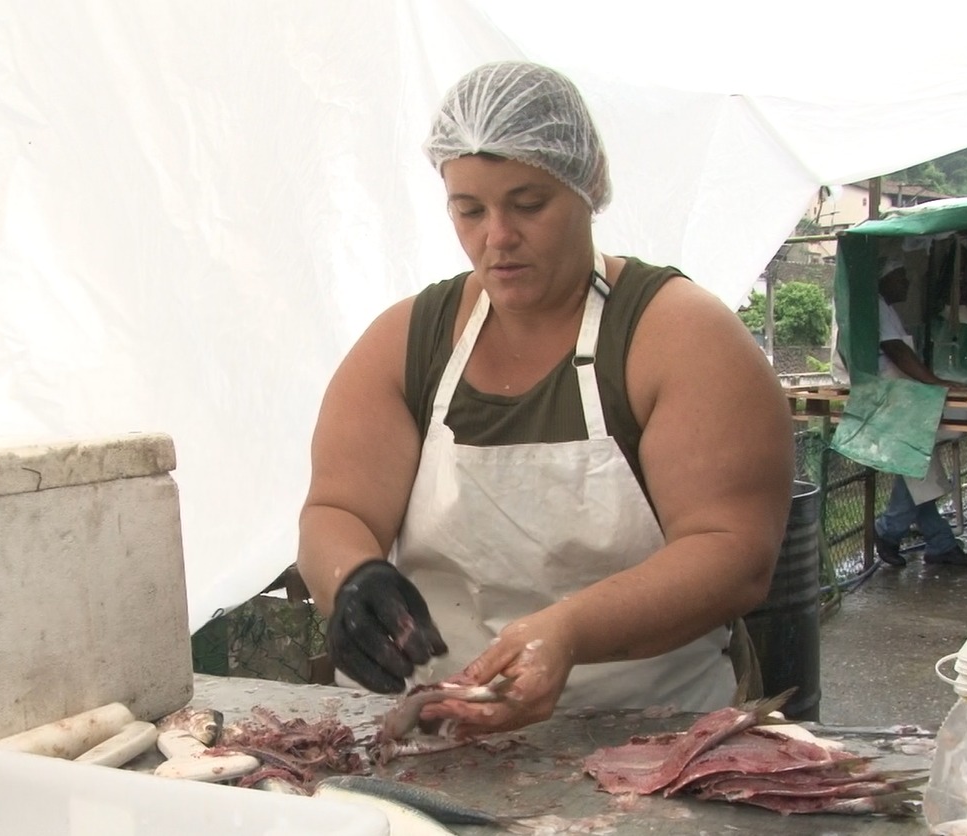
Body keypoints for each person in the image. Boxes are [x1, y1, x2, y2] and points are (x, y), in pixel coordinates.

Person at [296, 61, 794, 735]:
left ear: (589, 186)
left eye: (528, 204)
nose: (497, 237)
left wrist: (569, 630)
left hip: (649, 732)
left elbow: (732, 552)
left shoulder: (680, 337)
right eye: (470, 210)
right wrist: (352, 577)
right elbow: (338, 507)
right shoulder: (406, 342)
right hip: (439, 734)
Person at [871, 263, 967, 568]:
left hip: (902, 392)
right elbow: (896, 350)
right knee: (917, 468)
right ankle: (888, 529)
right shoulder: (878, 308)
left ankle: (940, 543)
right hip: (892, 395)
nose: (907, 283)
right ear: (885, 279)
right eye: (902, 277)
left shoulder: (887, 309)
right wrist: (934, 382)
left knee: (918, 473)